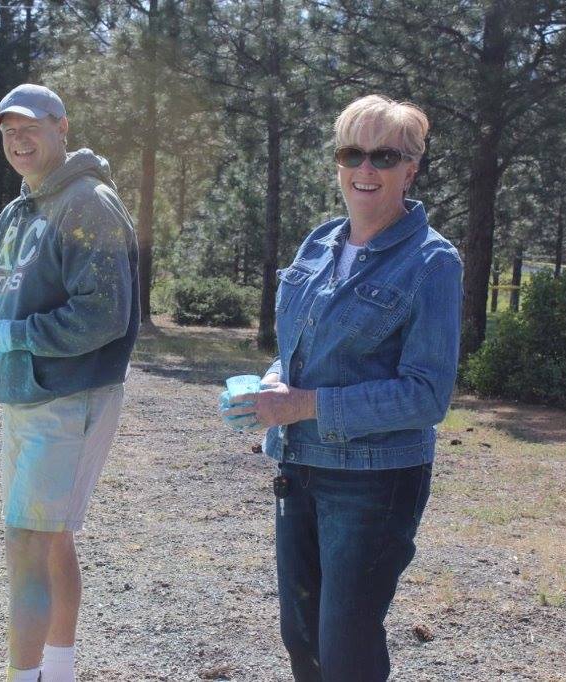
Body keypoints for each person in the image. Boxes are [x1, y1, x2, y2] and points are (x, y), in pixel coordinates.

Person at [222, 95, 463, 681]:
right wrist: (275, 379)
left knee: (346, 647)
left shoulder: (433, 262)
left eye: (385, 156)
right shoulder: (320, 243)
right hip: (298, 465)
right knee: (301, 636)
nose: (365, 168)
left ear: (411, 169)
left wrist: (302, 404)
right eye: (352, 153)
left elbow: (426, 395)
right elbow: (302, 349)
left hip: (373, 482)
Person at [0, 83, 139, 682]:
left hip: (68, 395)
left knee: (26, 542)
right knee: (48, 540)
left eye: (30, 127)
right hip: (25, 393)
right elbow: (11, 300)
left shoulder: (88, 203)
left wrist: (3, 336)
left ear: (62, 127)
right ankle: (58, 673)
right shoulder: (19, 210)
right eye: (8, 131)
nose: (18, 140)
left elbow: (103, 315)